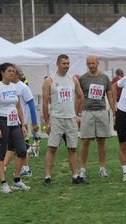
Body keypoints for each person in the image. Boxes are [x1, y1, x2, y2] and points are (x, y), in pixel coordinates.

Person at [42, 54, 85, 186]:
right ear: (58, 64)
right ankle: (47, 177)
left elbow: (81, 96)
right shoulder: (50, 80)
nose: (66, 66)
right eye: (64, 63)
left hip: (70, 119)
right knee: (52, 148)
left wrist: (77, 114)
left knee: (72, 148)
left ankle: (75, 176)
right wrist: (47, 122)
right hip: (56, 118)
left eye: (68, 63)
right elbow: (44, 103)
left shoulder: (73, 79)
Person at [0, 65, 39, 177]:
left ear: (17, 74)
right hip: (3, 121)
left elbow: (27, 105)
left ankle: (21, 171)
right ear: (3, 72)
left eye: (13, 71)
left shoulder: (21, 87)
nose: (12, 73)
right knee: (9, 148)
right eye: (9, 71)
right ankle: (6, 173)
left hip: (17, 122)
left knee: (20, 148)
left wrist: (30, 123)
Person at [78, 55, 115, 179]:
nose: (91, 66)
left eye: (93, 63)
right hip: (87, 111)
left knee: (102, 140)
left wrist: (114, 112)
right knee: (85, 141)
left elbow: (110, 95)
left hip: (101, 111)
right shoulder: (82, 79)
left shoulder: (104, 78)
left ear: (98, 63)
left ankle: (102, 168)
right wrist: (77, 114)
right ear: (87, 64)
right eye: (89, 63)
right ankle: (82, 169)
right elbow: (78, 97)